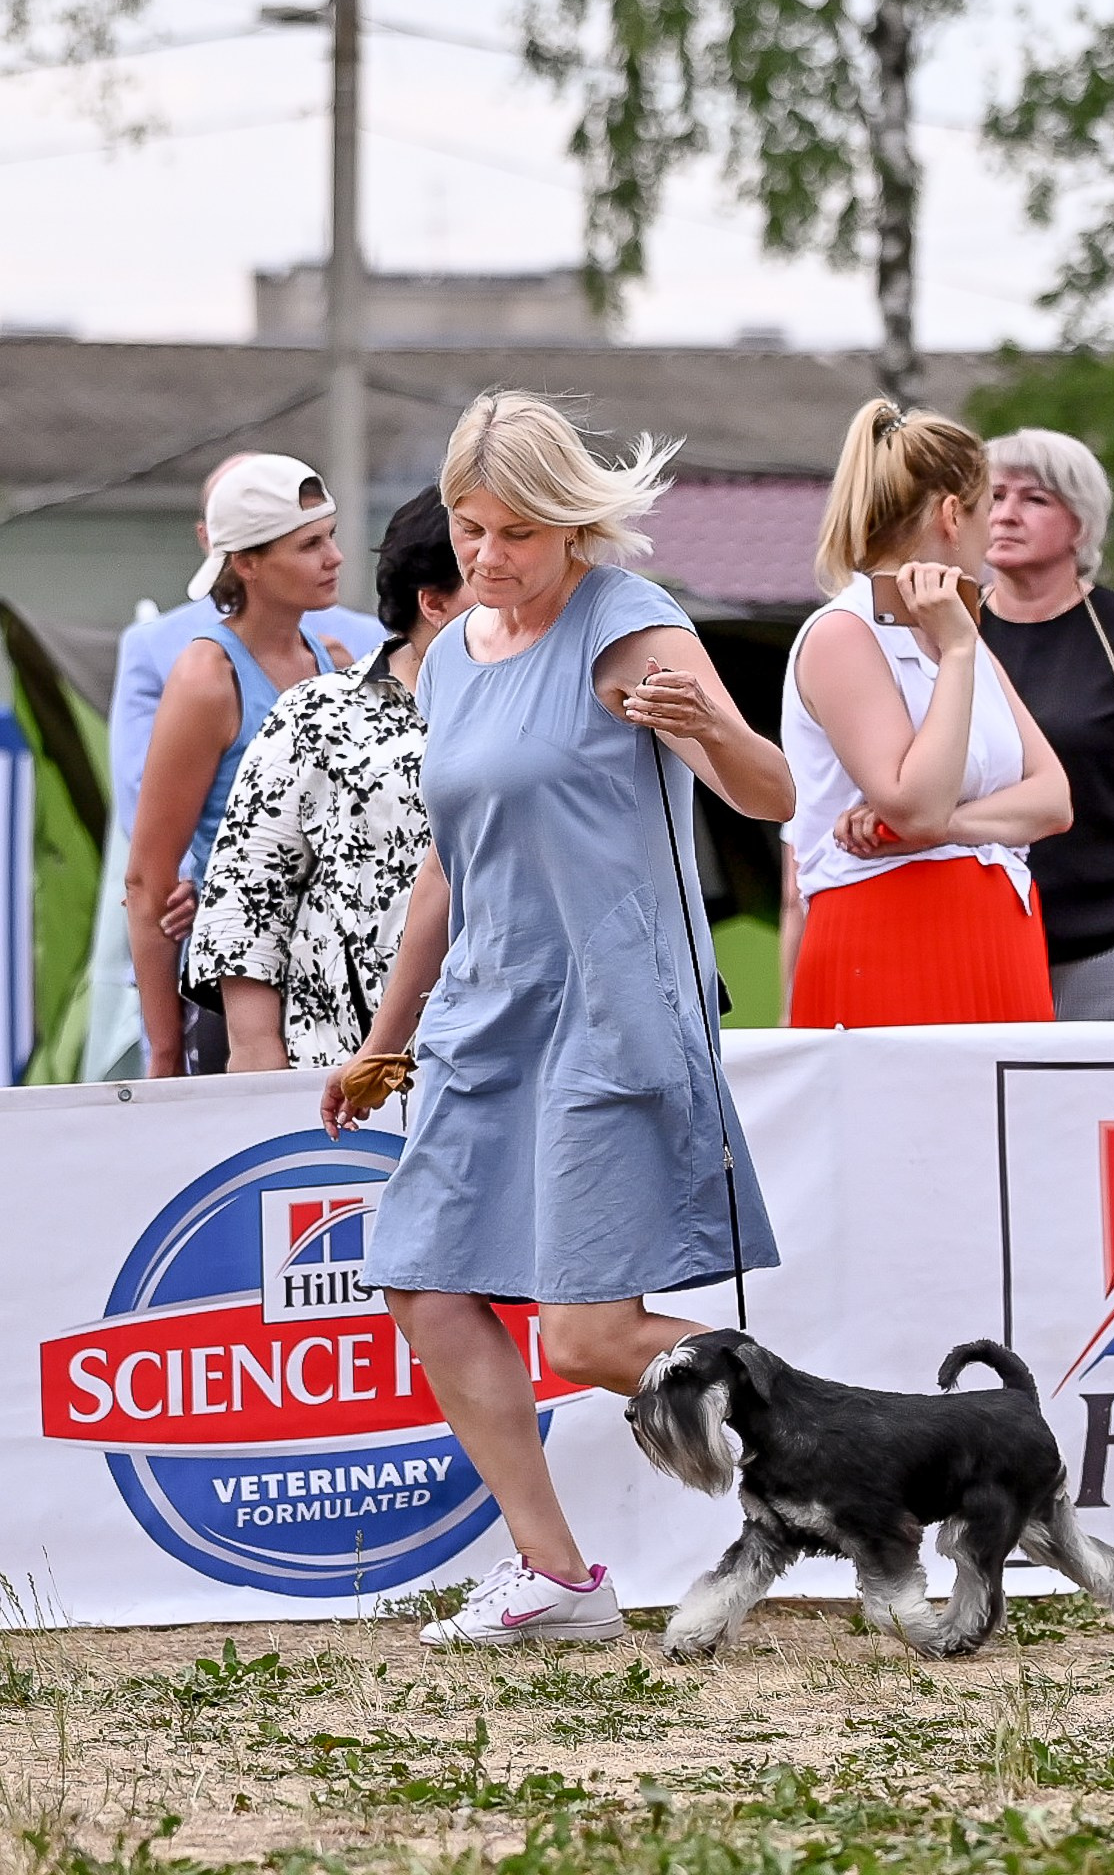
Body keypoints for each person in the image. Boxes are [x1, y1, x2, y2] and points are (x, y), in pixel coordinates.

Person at [319, 392, 792, 1648]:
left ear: (575, 525)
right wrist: (385, 1031)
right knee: (421, 1280)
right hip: (489, 1012)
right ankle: (557, 1577)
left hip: (608, 1004)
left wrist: (709, 726)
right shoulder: (462, 653)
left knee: (585, 1334)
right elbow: (447, 863)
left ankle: (869, 1437)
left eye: (517, 531)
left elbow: (770, 787)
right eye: (471, 529)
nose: (487, 556)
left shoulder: (629, 627)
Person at [778, 401, 1070, 1027]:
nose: (996, 525)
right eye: (989, 503)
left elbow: (1052, 800)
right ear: (950, 514)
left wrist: (945, 827)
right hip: (889, 941)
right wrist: (959, 650)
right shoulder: (843, 634)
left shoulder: (961, 634)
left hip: (1001, 938)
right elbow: (915, 802)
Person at [87, 455, 376, 1080]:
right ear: (245, 562)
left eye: (330, 536)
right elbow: (146, 880)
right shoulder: (207, 675)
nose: (335, 557)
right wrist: (163, 1054)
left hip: (335, 983)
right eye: (308, 544)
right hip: (239, 991)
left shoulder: (331, 658)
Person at [187, 487, 467, 1068]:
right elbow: (245, 899)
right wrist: (258, 1059)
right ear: (433, 602)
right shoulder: (318, 714)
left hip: (524, 1068)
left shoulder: (556, 710)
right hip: (341, 1082)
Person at [978, 428, 1114, 1019]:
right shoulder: (947, 633)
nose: (1006, 515)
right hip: (983, 925)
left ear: (1082, 523)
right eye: (994, 497)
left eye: (1034, 499)